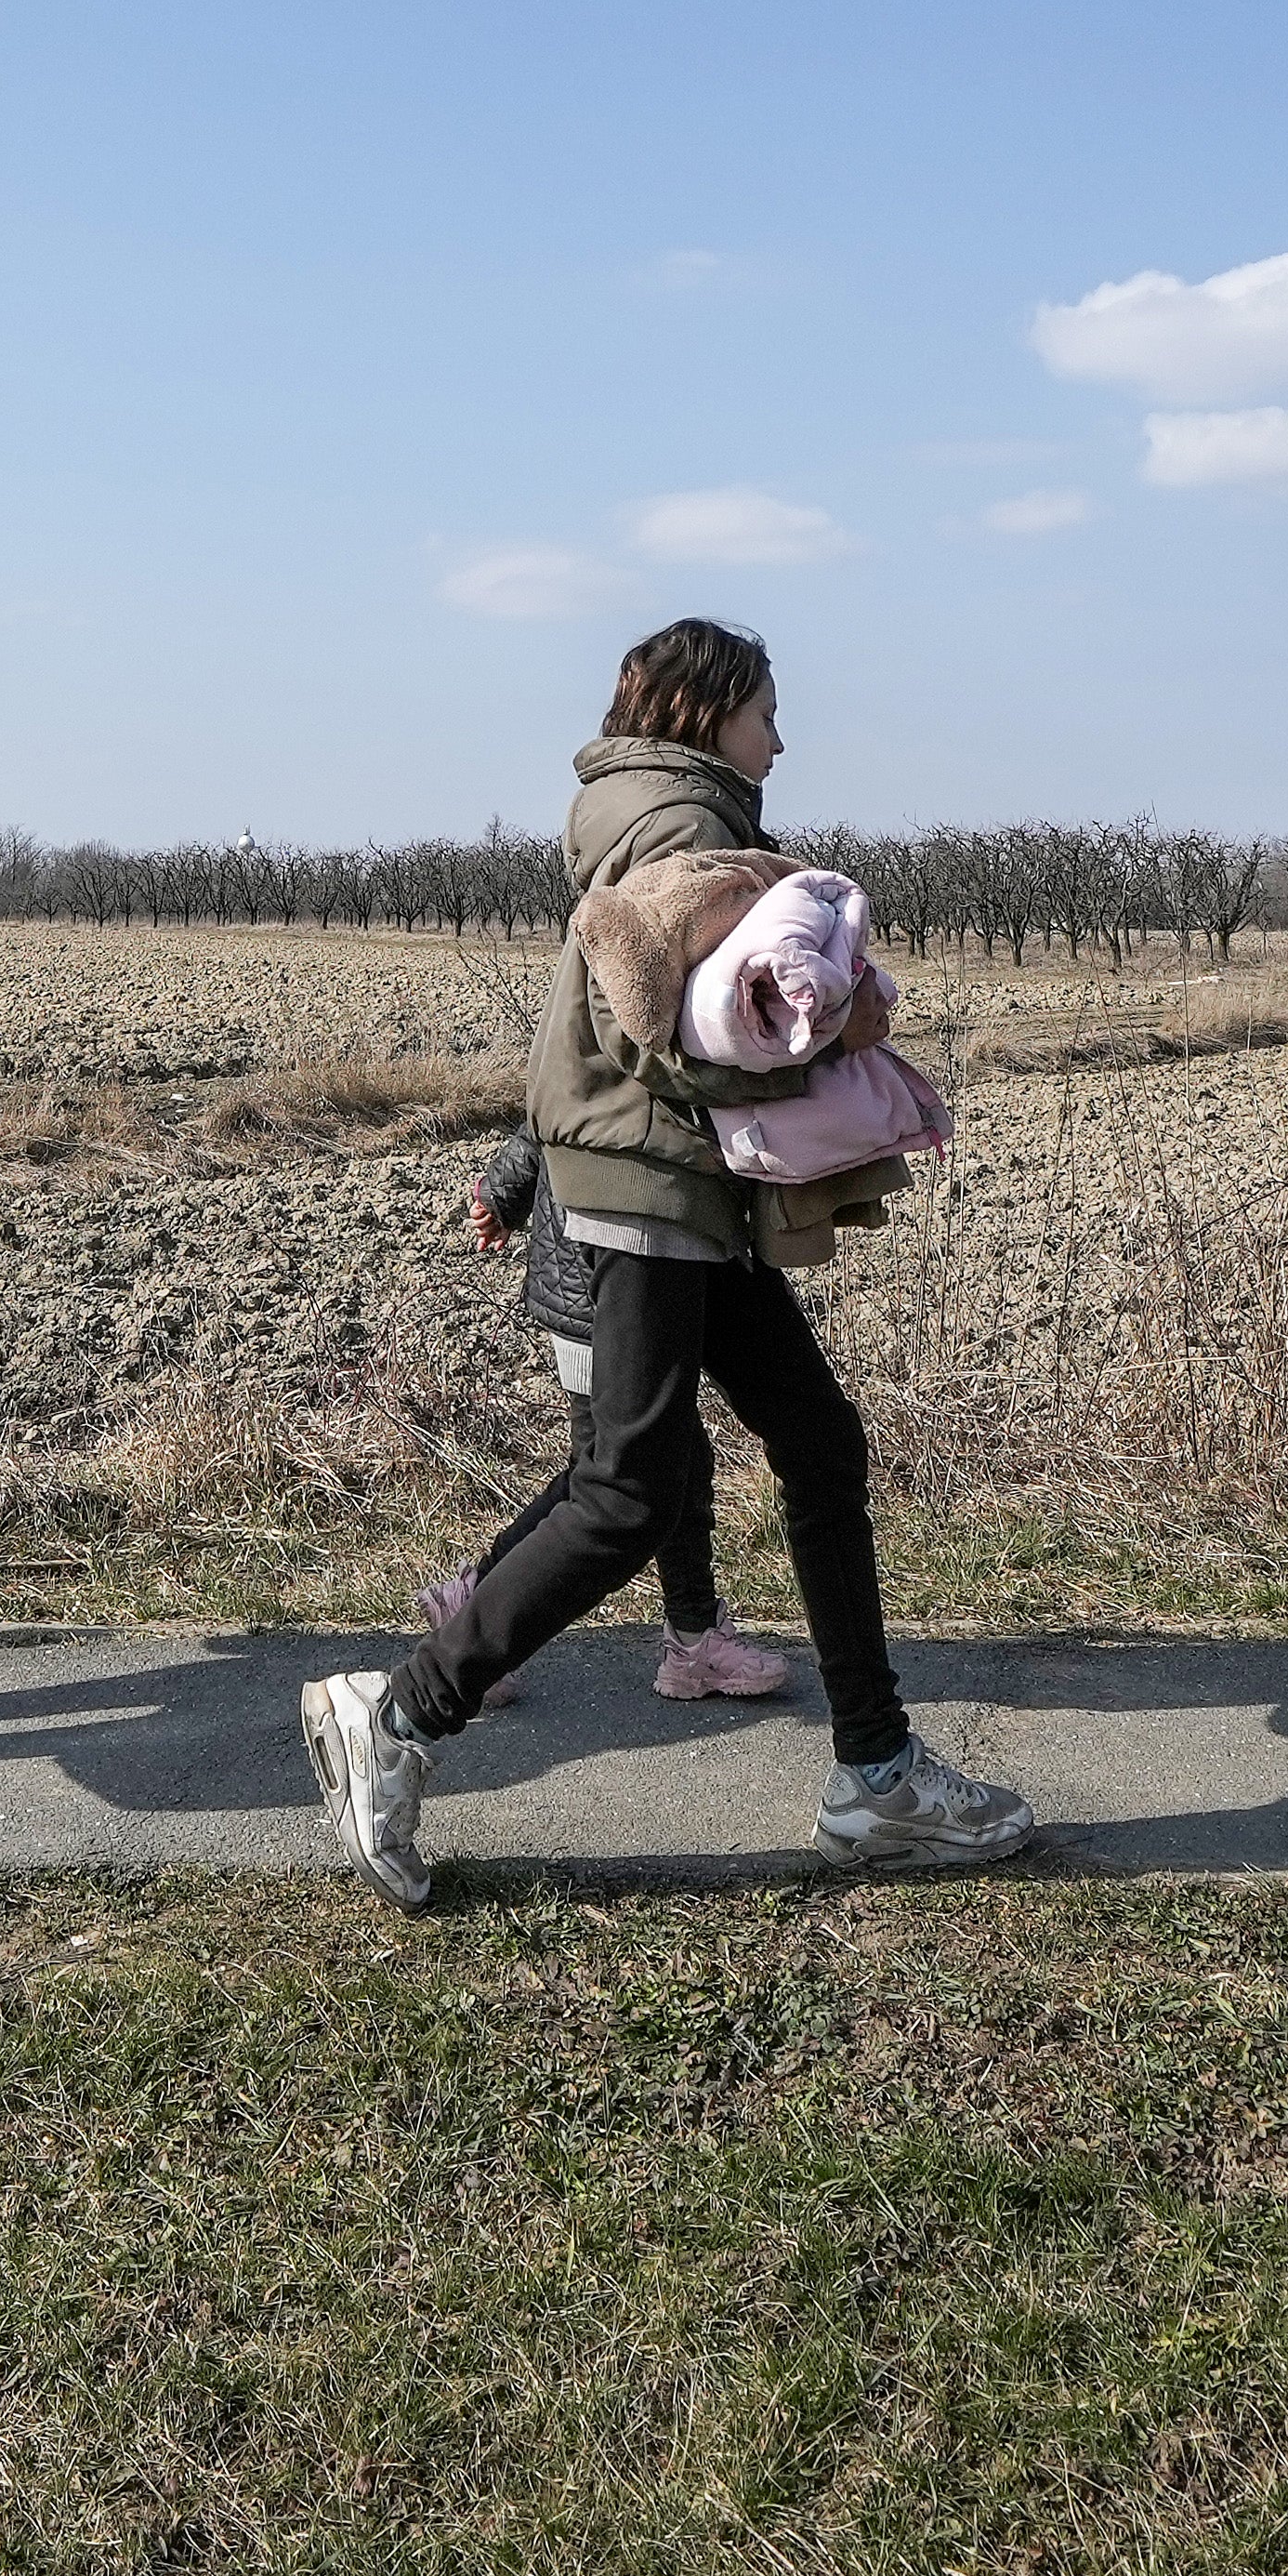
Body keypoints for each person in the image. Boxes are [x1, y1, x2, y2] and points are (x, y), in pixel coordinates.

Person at [300, 623, 1040, 1906]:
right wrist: (838, 1027)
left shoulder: (646, 806)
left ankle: (878, 1777)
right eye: (766, 709)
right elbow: (664, 1025)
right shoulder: (674, 823)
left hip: (685, 1182)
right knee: (631, 1489)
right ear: (707, 711)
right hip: (650, 1180)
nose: (782, 735)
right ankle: (403, 1712)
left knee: (817, 1441)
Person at [450, 1132, 792, 1702]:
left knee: (655, 1459)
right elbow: (551, 1106)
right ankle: (477, 1607)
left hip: (627, 1263)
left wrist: (502, 1195)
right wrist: (502, 1195)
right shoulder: (608, 1043)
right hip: (597, 1276)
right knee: (616, 1475)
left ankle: (693, 1635)